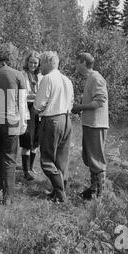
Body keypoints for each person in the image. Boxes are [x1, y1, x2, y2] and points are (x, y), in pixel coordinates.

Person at [0, 43, 28, 205]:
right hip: (11, 119)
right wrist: (23, 122)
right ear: (11, 57)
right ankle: (7, 196)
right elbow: (22, 102)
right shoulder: (18, 75)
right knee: (10, 157)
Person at [34, 51, 74, 203]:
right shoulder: (67, 79)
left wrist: (36, 111)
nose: (39, 67)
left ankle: (61, 194)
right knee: (61, 160)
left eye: (41, 63)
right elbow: (71, 102)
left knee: (47, 160)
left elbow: (39, 104)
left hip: (52, 121)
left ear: (48, 62)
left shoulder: (47, 78)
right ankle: (58, 192)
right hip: (66, 119)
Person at [72, 52, 109, 200]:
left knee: (97, 160)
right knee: (90, 158)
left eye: (77, 62)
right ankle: (93, 190)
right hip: (90, 124)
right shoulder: (90, 78)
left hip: (96, 125)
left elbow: (100, 102)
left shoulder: (96, 78)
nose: (75, 65)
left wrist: (80, 107)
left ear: (82, 62)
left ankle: (99, 196)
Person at [19, 51, 43, 181]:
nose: (32, 65)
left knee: (35, 141)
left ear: (39, 64)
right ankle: (25, 171)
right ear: (27, 62)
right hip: (26, 108)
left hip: (38, 110)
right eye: (30, 62)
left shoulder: (41, 76)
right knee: (27, 139)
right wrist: (33, 96)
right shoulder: (22, 75)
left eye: (35, 62)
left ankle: (32, 166)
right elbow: (21, 93)